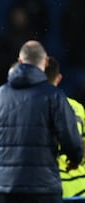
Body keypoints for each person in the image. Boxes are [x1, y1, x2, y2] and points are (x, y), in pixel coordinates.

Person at [0, 40, 83, 203]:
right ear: (46, 62)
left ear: (20, 61)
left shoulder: (0, 95)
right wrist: (74, 159)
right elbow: (70, 138)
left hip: (8, 186)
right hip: (43, 185)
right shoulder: (53, 96)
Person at [45, 56, 85, 202]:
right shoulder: (78, 108)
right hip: (80, 188)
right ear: (58, 78)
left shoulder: (30, 108)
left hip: (49, 189)